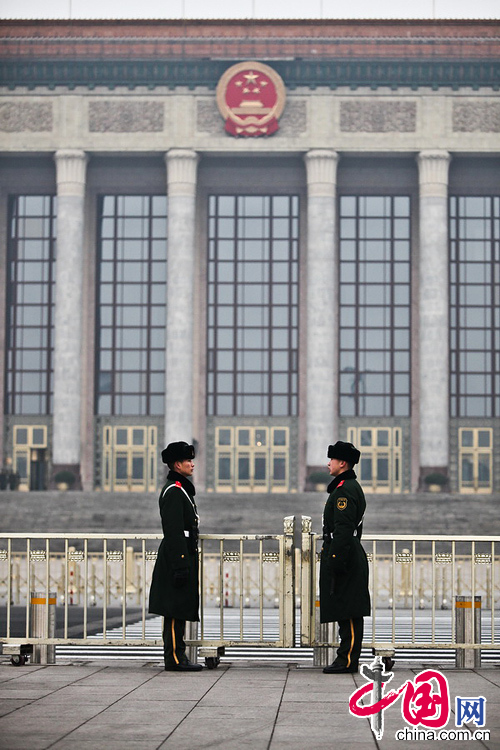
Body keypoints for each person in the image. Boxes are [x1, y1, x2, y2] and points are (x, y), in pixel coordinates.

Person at [149, 441, 203, 672]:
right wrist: (180, 563)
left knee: (178, 608)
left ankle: (178, 655)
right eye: (188, 461)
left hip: (182, 555)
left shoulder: (181, 489)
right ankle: (174, 658)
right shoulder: (173, 491)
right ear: (177, 464)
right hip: (175, 557)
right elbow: (172, 531)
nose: (192, 464)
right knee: (172, 611)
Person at [320, 440, 370, 674]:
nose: (328, 463)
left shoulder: (345, 490)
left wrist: (335, 558)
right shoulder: (344, 486)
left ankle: (348, 659)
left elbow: (343, 527)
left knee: (349, 610)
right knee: (345, 608)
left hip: (346, 553)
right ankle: (345, 656)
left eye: (331, 459)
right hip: (346, 550)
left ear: (342, 463)